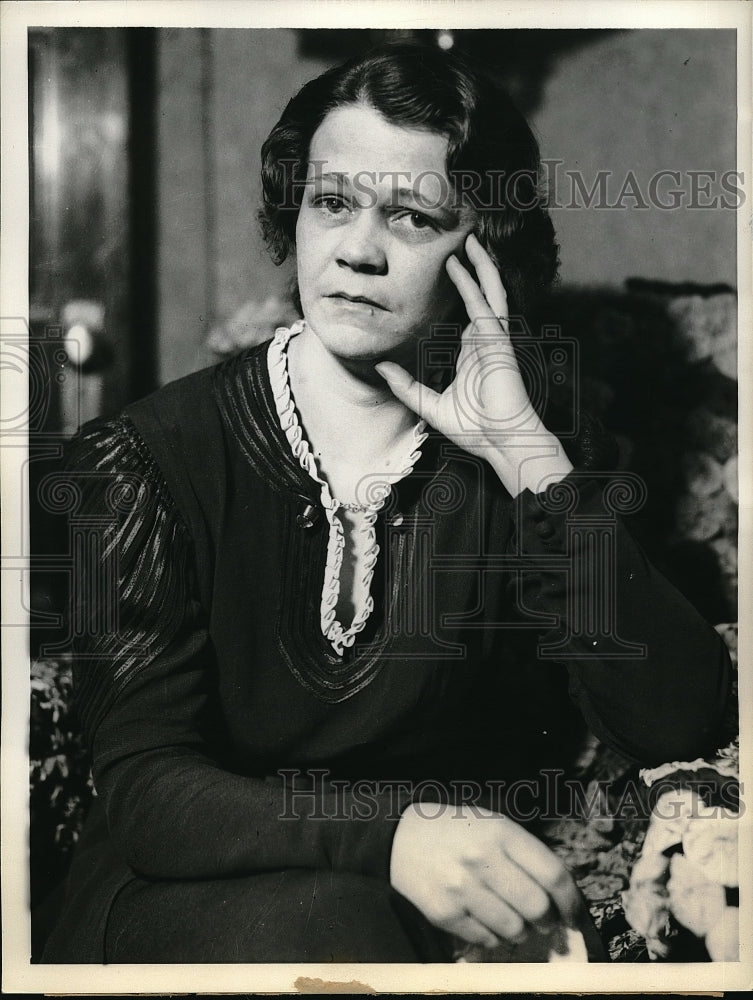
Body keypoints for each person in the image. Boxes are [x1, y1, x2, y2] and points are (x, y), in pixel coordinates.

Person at [42, 42, 731, 964]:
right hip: (179, 906)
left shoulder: (522, 449)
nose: (357, 250)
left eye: (411, 216)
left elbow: (681, 717)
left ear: (481, 252)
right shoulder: (140, 461)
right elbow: (145, 793)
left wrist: (524, 454)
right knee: (332, 923)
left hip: (415, 918)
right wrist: (393, 838)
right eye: (331, 202)